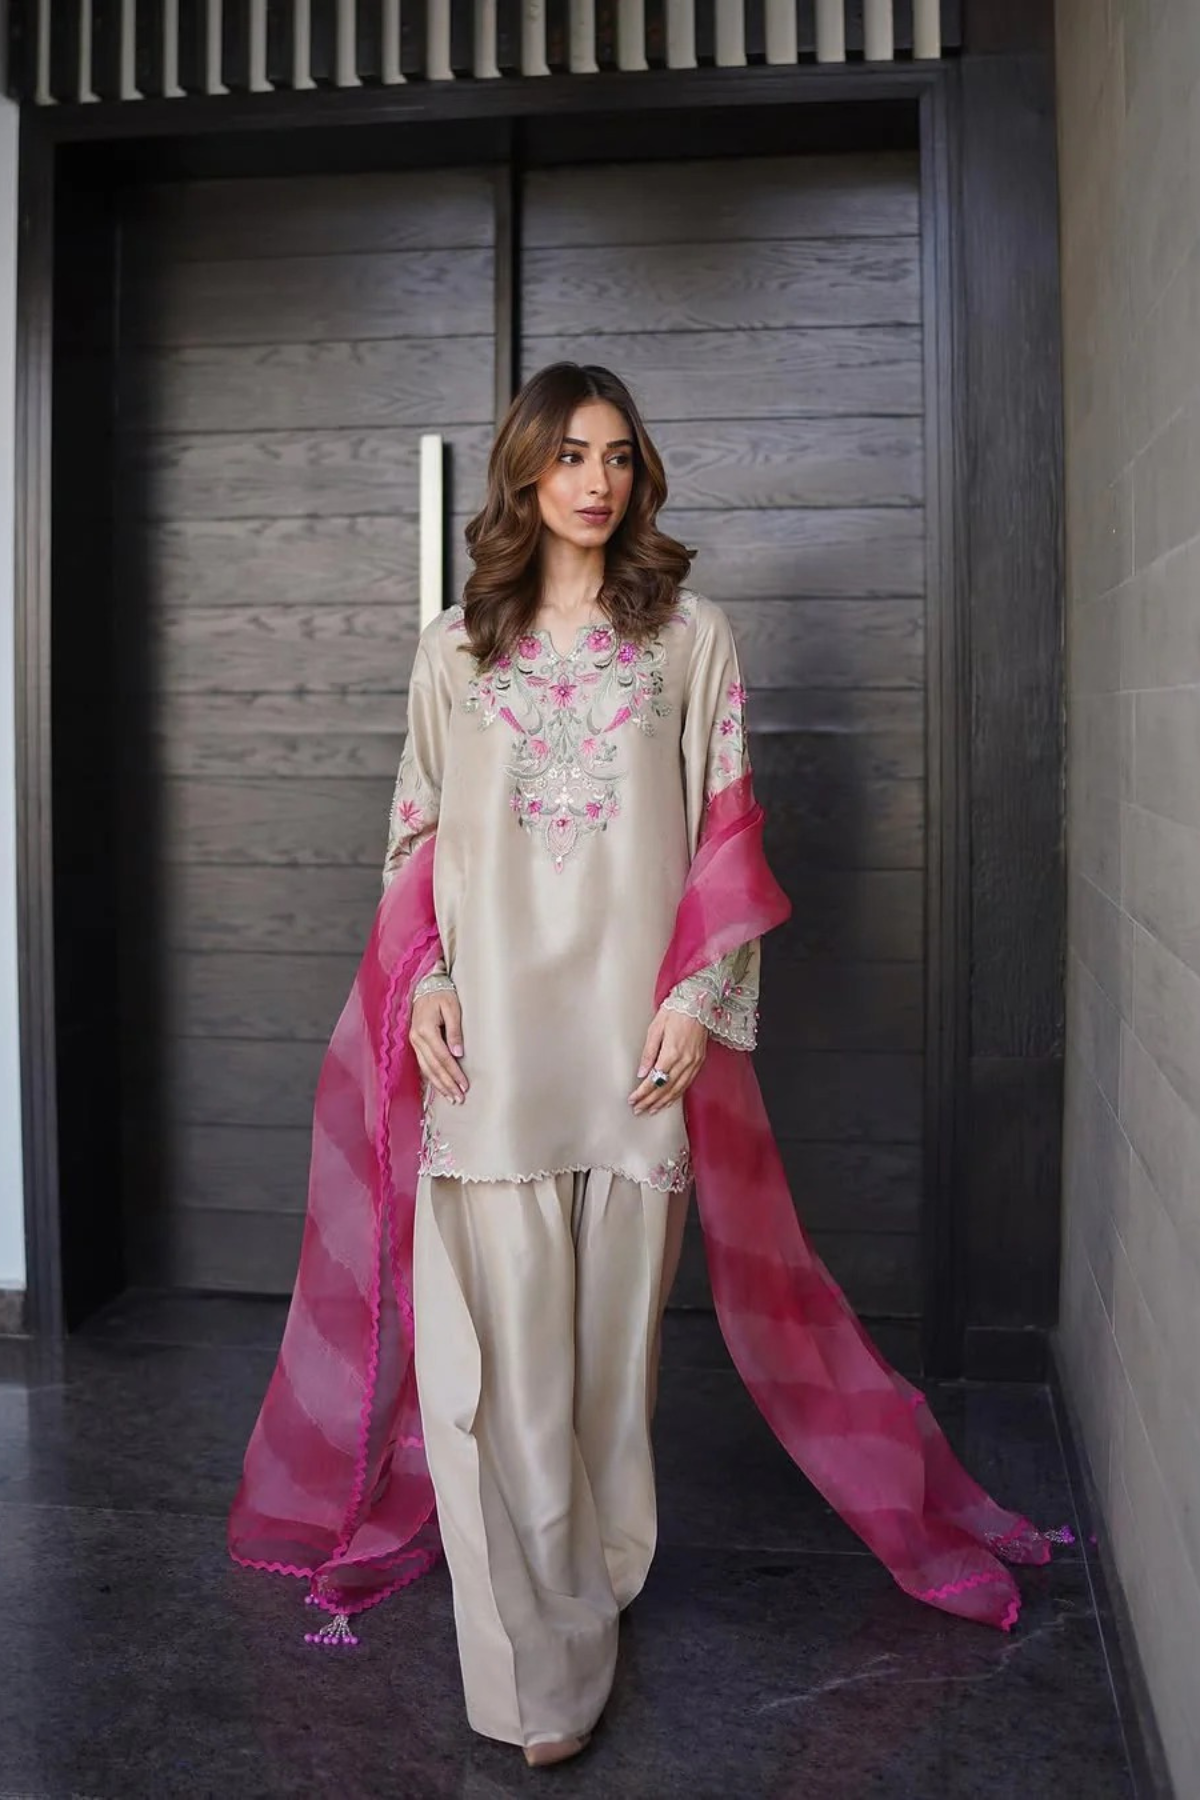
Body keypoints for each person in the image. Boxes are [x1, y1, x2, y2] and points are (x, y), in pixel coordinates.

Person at [228, 364, 1062, 1771]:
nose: (597, 481)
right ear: (523, 473)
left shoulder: (690, 637)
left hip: (635, 1055)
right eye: (568, 455)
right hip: (488, 1054)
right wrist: (426, 980)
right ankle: (534, 1676)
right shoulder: (456, 649)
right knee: (496, 1378)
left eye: (618, 456)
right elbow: (412, 840)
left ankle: (595, 1584)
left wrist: (696, 1000)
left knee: (609, 1375)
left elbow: (730, 839)